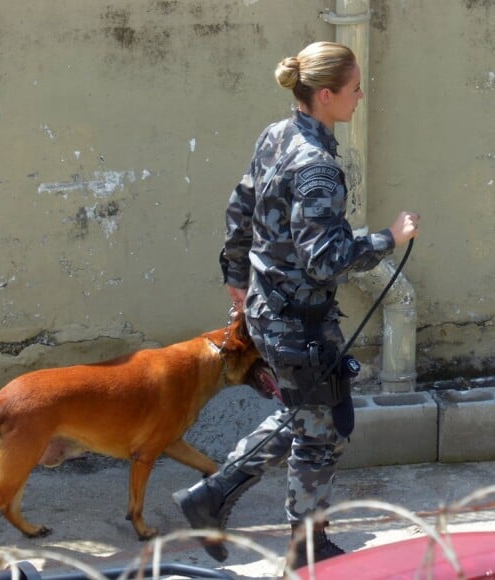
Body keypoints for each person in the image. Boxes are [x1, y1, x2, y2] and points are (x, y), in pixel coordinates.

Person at [172, 41, 420, 570]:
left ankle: (216, 497)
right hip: (298, 322)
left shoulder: (276, 135)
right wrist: (388, 238)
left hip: (271, 309)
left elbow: (240, 207)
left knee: (308, 418)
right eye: (354, 89)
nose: (361, 96)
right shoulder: (317, 166)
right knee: (322, 431)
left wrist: (237, 277)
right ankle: (302, 543)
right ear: (326, 95)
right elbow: (325, 258)